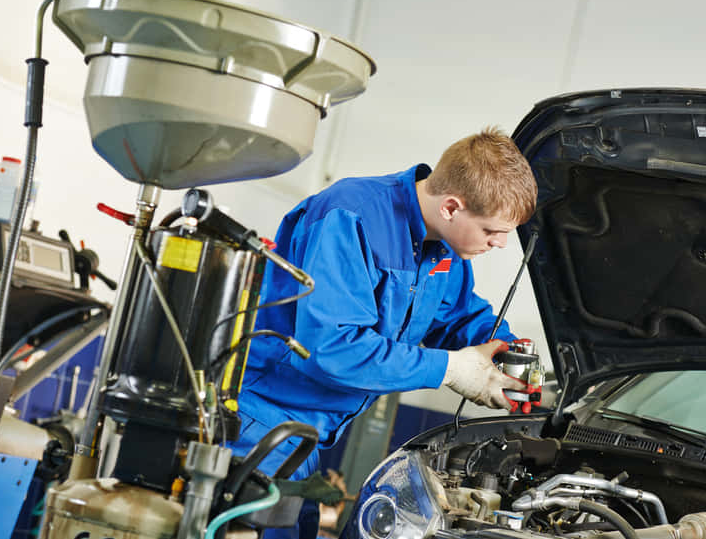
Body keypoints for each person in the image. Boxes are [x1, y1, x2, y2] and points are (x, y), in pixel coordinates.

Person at [230, 127, 538, 539]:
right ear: (451, 206)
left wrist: (508, 352)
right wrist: (450, 369)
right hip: (259, 423)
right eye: (492, 231)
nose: (500, 243)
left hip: (305, 435)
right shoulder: (350, 216)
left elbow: (460, 316)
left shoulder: (443, 249)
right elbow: (332, 348)